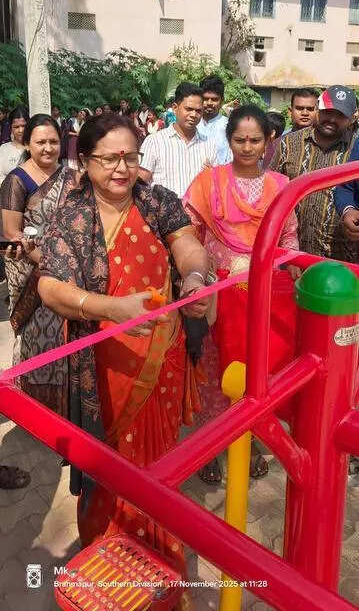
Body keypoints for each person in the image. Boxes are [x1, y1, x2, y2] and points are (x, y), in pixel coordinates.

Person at [37, 113, 210, 571]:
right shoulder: (71, 218)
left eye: (130, 157)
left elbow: (188, 244)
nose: (121, 168)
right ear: (86, 162)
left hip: (161, 357)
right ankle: (106, 552)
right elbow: (51, 287)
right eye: (109, 159)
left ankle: (158, 552)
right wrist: (109, 308)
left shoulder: (157, 201)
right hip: (103, 368)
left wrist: (194, 279)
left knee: (158, 464)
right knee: (110, 463)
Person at [183, 105, 299, 482]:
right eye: (239, 140)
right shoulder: (208, 182)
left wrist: (289, 265)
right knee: (216, 371)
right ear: (228, 140)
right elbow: (188, 231)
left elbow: (289, 236)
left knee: (257, 369)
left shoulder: (281, 186)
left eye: (255, 140)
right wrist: (198, 275)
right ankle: (211, 448)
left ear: (268, 141)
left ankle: (251, 442)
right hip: (218, 296)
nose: (247, 147)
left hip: (263, 297)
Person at [0, 113, 77, 411]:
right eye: (40, 142)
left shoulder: (71, 176)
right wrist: (50, 263)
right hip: (32, 267)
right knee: (36, 335)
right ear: (28, 143)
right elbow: (10, 231)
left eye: (53, 141)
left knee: (67, 334)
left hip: (69, 267)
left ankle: (68, 405)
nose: (48, 148)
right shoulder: (16, 180)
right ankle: (33, 405)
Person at [269, 85, 358, 260]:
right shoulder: (287, 144)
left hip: (341, 262)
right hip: (291, 257)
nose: (332, 119)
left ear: (351, 119)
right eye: (327, 112)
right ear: (317, 109)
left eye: (340, 115)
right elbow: (269, 191)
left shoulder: (356, 149)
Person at [139, 82, 217, 198]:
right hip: (163, 214)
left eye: (198, 111)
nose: (193, 115)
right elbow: (141, 183)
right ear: (175, 108)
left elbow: (215, 186)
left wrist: (211, 175)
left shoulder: (209, 145)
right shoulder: (154, 141)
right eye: (189, 109)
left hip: (198, 214)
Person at [197, 76, 232, 165]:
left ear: (222, 101)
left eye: (214, 99)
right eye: (205, 99)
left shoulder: (229, 126)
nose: (209, 103)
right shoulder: (192, 124)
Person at [0, 105, 29, 185]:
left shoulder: (35, 147)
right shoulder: (4, 149)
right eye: (16, 127)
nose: (20, 130)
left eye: (24, 126)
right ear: (11, 128)